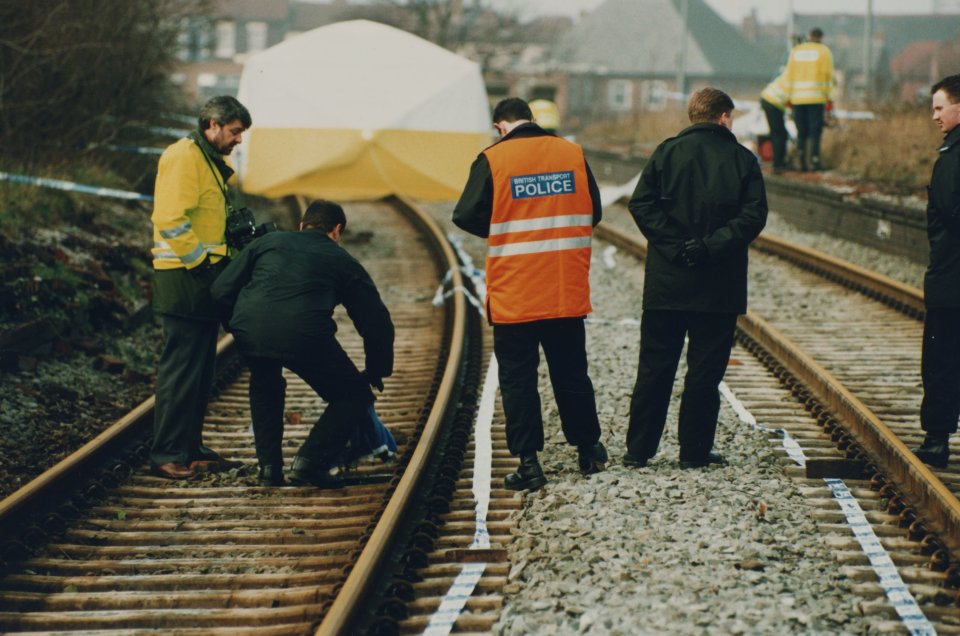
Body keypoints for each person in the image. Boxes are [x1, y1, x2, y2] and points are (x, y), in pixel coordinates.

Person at [452, 96, 607, 492]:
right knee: (571, 371)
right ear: (531, 119)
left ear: (500, 126)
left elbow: (465, 214)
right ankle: (589, 449)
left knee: (519, 380)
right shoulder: (570, 152)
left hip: (516, 293)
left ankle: (529, 464)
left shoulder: (493, 158)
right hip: (563, 288)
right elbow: (595, 211)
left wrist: (508, 223)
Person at [623, 88, 768, 470]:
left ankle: (639, 450)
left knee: (655, 368)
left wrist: (676, 246)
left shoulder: (666, 153)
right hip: (719, 288)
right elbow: (753, 217)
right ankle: (694, 452)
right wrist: (709, 246)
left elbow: (641, 204)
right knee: (705, 373)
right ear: (723, 117)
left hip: (667, 285)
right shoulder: (742, 160)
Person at [210, 200, 394, 487]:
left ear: (301, 225)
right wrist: (376, 370)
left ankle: (269, 469)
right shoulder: (341, 259)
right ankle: (310, 461)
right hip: (304, 334)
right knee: (354, 395)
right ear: (336, 230)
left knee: (265, 386)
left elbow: (221, 289)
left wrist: (236, 326)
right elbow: (375, 321)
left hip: (251, 329)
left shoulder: (267, 242)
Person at [149, 95, 251, 480]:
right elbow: (170, 219)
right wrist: (203, 266)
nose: (238, 139)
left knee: (200, 370)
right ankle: (167, 454)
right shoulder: (184, 156)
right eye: (235, 131)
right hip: (185, 277)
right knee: (181, 370)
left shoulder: (206, 160)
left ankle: (189, 447)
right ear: (212, 125)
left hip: (201, 277)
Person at [912, 74, 960, 468]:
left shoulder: (950, 160)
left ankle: (936, 441)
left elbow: (947, 215)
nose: (934, 116)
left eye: (940, 107)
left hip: (951, 279)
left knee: (942, 359)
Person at [783, 27, 835, 171]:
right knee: (815, 131)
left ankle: (801, 163)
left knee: (801, 131)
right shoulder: (824, 52)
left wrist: (788, 97)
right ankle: (814, 161)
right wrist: (830, 99)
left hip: (797, 99)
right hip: (816, 98)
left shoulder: (796, 51)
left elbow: (789, 76)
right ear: (821, 37)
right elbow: (828, 76)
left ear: (809, 36)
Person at [760, 71, 791, 172]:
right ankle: (778, 164)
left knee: (779, 132)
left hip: (769, 99)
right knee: (779, 133)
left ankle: (779, 162)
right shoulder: (798, 75)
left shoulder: (793, 71)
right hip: (773, 101)